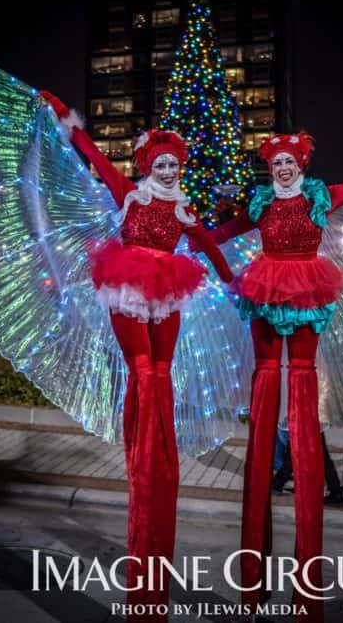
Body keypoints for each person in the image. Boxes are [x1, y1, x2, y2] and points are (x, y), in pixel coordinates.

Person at [207, 132, 343, 621]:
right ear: (270, 166)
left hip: (306, 285)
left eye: (290, 161)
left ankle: (305, 567)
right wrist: (185, 237)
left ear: (301, 162)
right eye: (276, 162)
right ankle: (254, 579)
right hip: (264, 288)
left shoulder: (320, 196)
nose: (283, 168)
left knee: (301, 383)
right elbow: (229, 230)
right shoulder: (262, 201)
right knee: (265, 383)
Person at [40, 90, 233, 620]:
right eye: (161, 164)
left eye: (174, 164)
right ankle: (141, 442)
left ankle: (160, 442)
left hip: (167, 288)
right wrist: (67, 120)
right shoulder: (129, 192)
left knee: (163, 372)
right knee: (143, 370)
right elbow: (95, 158)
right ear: (148, 164)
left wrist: (234, 280)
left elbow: (211, 244)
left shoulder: (183, 206)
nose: (169, 171)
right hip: (128, 286)